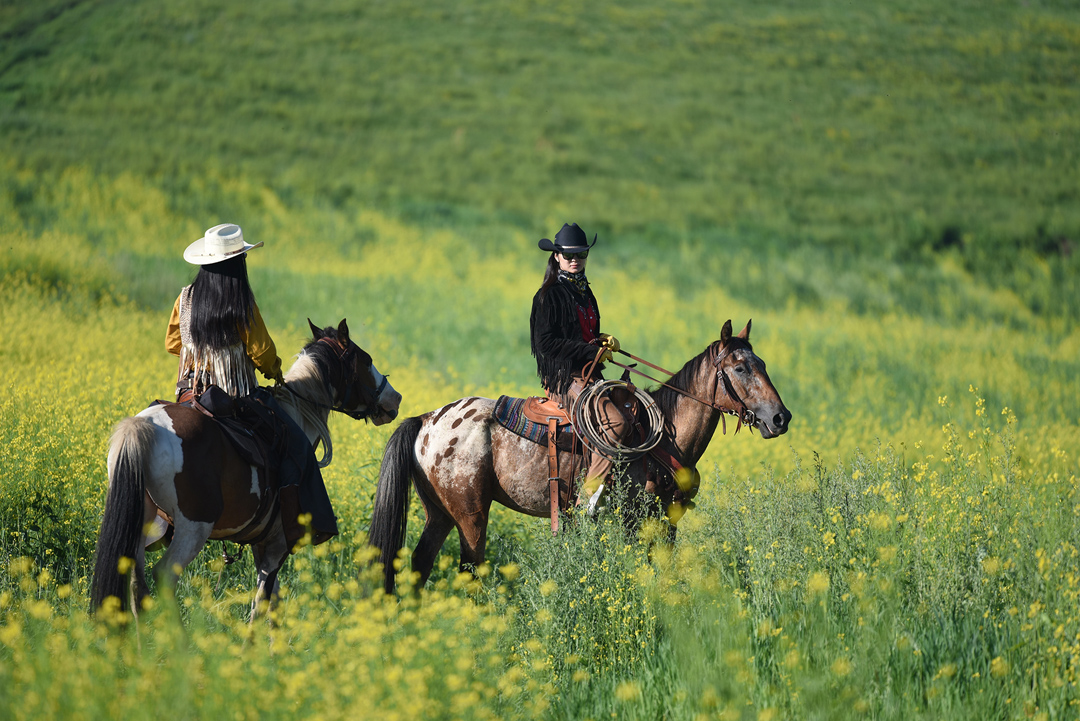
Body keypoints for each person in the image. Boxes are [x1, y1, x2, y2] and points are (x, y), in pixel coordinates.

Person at [166, 223, 337, 547]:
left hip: (189, 394)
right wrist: (274, 372)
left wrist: (203, 352)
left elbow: (173, 342)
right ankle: (293, 527)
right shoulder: (239, 301)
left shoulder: (185, 297)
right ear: (237, 262)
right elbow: (263, 353)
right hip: (233, 397)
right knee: (296, 443)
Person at [530, 223, 633, 505]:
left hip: (589, 374)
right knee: (615, 420)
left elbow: (580, 334)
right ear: (556, 257)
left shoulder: (585, 292)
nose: (575, 260)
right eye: (569, 255)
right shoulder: (547, 296)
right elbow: (546, 344)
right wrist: (589, 351)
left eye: (581, 255)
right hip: (564, 378)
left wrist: (600, 340)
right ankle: (589, 495)